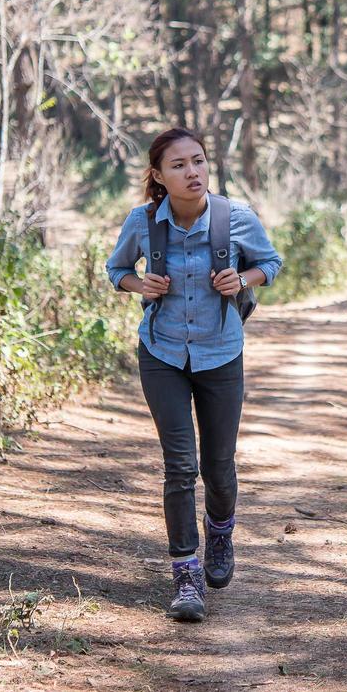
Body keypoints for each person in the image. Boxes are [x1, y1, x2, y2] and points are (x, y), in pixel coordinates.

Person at [104, 127, 283, 623]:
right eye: (179, 165)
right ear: (159, 177)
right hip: (161, 355)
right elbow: (115, 269)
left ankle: (220, 533)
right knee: (180, 466)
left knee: (218, 467)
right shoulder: (143, 222)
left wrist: (243, 278)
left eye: (199, 161)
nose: (192, 172)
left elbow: (271, 261)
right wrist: (142, 283)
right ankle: (186, 574)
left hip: (221, 354)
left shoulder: (235, 218)